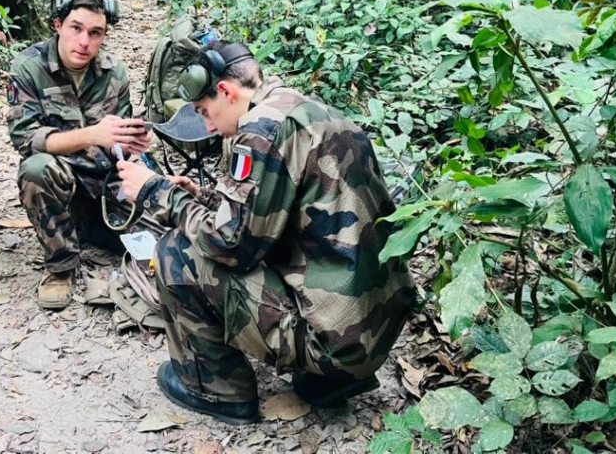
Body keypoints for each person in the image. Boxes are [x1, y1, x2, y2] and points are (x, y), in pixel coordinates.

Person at [116, 42, 416, 425]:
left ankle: (218, 391)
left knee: (176, 251)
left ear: (226, 91)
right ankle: (327, 382)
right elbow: (276, 215)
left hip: (332, 341)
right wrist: (202, 197)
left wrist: (157, 193)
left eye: (205, 112)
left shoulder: (261, 130)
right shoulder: (308, 110)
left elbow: (232, 246)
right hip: (371, 331)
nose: (207, 126)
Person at [6, 0, 152, 309]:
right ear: (58, 26)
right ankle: (60, 265)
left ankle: (94, 227)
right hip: (63, 183)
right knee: (36, 169)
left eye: (96, 33)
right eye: (76, 28)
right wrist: (92, 135)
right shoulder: (29, 68)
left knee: (157, 233)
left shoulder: (114, 72)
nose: (85, 42)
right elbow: (26, 139)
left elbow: (122, 146)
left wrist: (135, 145)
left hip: (103, 181)